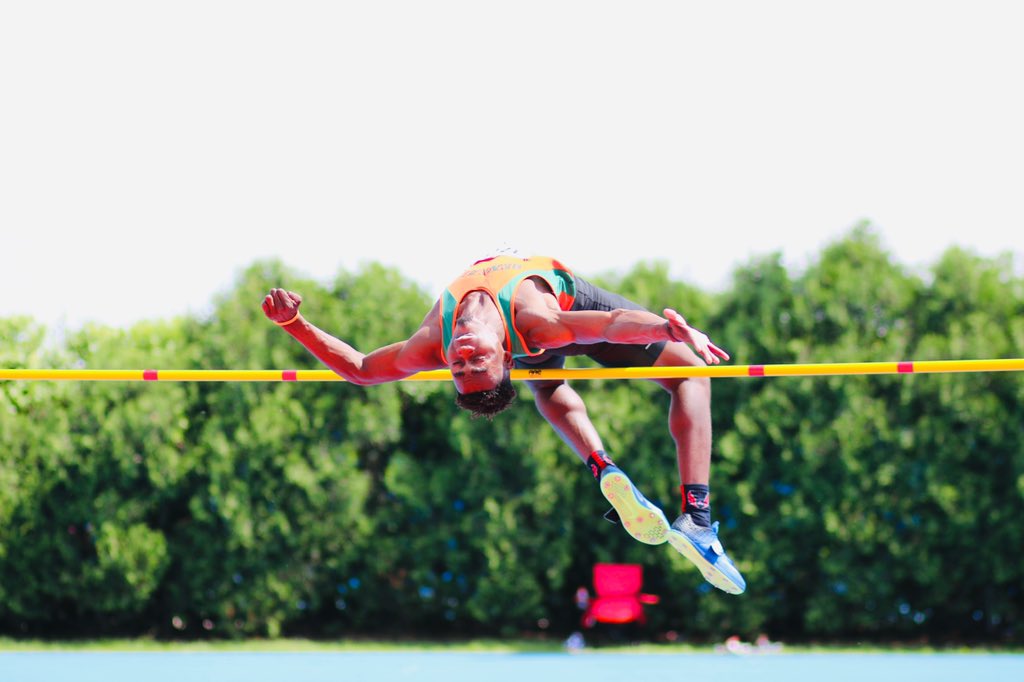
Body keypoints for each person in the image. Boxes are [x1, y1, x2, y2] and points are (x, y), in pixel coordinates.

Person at [262, 254, 745, 594]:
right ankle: (696, 518)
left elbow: (362, 368)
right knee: (689, 375)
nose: (465, 358)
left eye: (460, 369)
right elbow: (610, 322)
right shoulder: (536, 324)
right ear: (506, 355)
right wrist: (664, 329)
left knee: (550, 385)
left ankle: (608, 470)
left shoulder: (433, 342)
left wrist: (293, 324)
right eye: (477, 366)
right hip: (567, 316)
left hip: (556, 333)